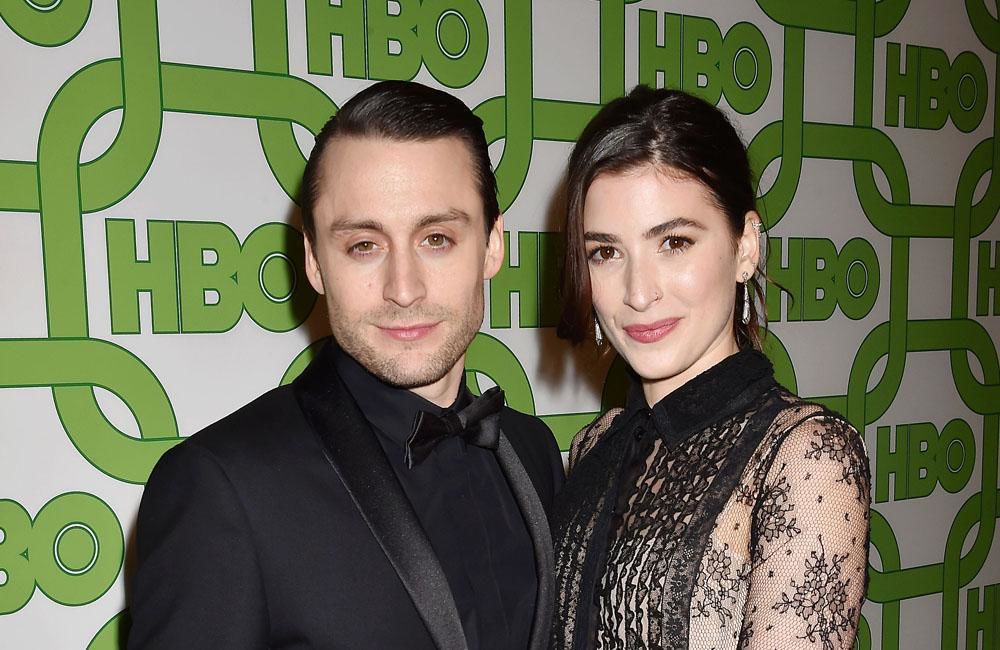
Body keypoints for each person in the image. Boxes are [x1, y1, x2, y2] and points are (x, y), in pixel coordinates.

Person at [128, 80, 564, 650]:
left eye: (436, 238)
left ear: (492, 245)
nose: (403, 288)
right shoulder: (223, 489)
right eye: (364, 245)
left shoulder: (535, 453)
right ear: (314, 261)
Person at [550, 86, 871, 650]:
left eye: (674, 242)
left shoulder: (805, 457)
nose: (638, 293)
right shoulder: (594, 445)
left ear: (745, 247)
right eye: (606, 252)